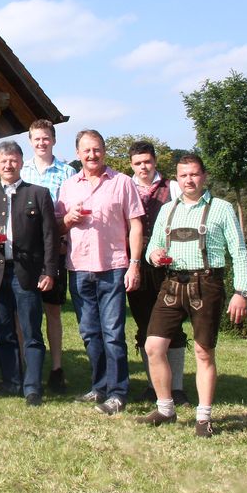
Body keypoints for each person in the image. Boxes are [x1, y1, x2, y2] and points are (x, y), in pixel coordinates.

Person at [137, 154, 247, 437]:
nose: (189, 180)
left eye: (194, 174)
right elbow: (152, 248)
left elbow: (239, 251)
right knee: (153, 346)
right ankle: (165, 408)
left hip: (207, 283)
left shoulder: (222, 208)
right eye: (183, 175)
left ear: (204, 176)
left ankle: (203, 416)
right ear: (177, 178)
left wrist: (241, 292)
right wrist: (155, 254)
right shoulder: (168, 210)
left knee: (203, 352)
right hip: (172, 283)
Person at [56, 129, 144, 415]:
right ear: (78, 154)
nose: (92, 155)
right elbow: (58, 227)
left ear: (104, 150)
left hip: (113, 267)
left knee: (113, 333)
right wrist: (68, 219)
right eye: (86, 150)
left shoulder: (122, 183)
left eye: (96, 149)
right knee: (89, 333)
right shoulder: (68, 186)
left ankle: (118, 392)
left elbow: (136, 226)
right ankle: (99, 386)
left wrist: (134, 264)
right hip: (79, 267)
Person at [0, 140, 58, 404]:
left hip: (27, 274)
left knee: (31, 331)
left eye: (13, 160)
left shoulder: (38, 194)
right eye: (3, 161)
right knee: (3, 332)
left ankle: (32, 386)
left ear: (21, 163)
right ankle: (11, 381)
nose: (8, 165)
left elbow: (50, 237)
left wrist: (49, 271)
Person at [126, 140, 188, 404]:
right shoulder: (126, 187)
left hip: (167, 266)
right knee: (144, 326)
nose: (143, 167)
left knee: (172, 326)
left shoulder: (172, 188)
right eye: (138, 163)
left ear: (155, 161)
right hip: (137, 264)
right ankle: (153, 385)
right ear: (131, 164)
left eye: (147, 162)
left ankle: (177, 387)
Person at [20, 118, 78, 394]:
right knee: (25, 312)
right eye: (36, 139)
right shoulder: (23, 170)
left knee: (52, 312)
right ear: (30, 142)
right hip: (27, 253)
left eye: (46, 138)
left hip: (53, 250)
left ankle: (56, 368)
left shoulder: (67, 173)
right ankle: (26, 367)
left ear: (53, 140)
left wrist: (63, 239)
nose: (41, 143)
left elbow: (67, 213)